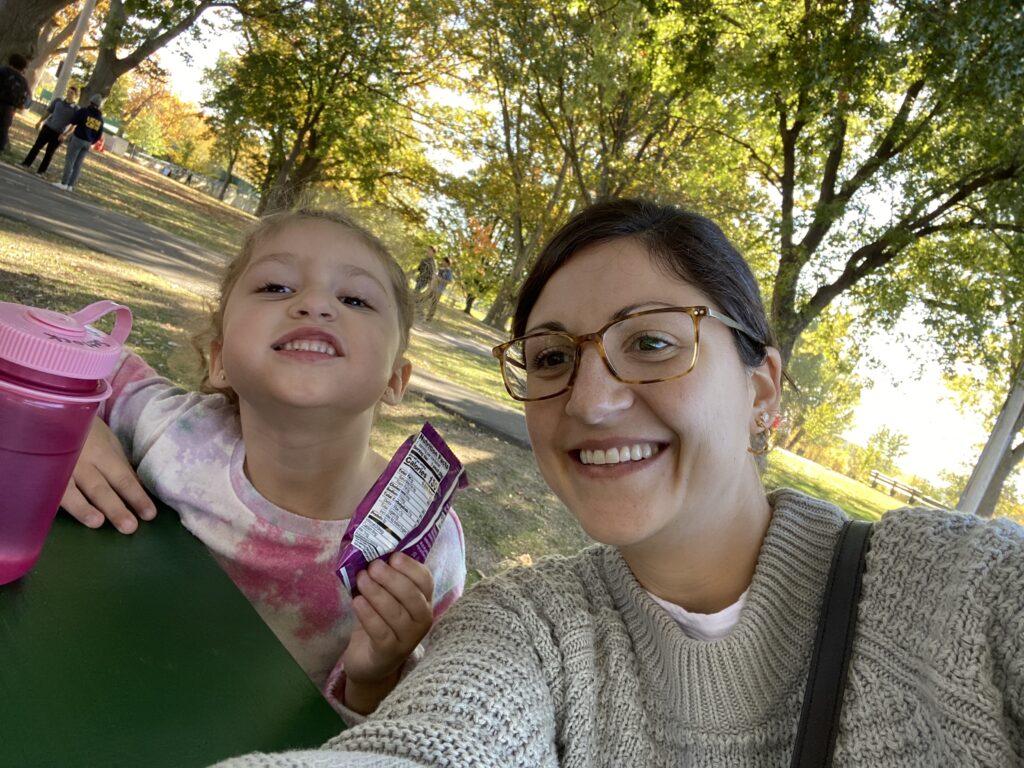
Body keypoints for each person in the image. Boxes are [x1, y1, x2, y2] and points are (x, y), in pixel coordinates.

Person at [213, 198, 1023, 767]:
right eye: (552, 358)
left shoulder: (962, 586)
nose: (591, 403)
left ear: (761, 390)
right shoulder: (527, 630)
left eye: (653, 343)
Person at [61, 208, 466, 720]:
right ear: (219, 360)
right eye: (276, 287)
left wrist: (374, 679)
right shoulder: (173, 428)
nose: (314, 303)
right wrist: (65, 420)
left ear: (394, 380)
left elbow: (404, 731)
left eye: (355, 299)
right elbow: (57, 345)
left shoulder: (425, 548)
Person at [21, 86, 79, 176]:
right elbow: (48, 112)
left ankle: (41, 171)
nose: (68, 94)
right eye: (68, 91)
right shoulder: (58, 101)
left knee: (49, 153)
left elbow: (74, 125)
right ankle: (26, 164)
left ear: (76, 96)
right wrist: (40, 121)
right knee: (36, 146)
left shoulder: (76, 109)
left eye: (71, 93)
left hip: (58, 133)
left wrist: (65, 134)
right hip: (48, 127)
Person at [54, 92, 104, 192]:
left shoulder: (84, 111)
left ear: (91, 101)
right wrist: (91, 141)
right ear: (99, 106)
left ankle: (64, 183)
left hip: (78, 139)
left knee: (70, 161)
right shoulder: (100, 119)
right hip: (88, 143)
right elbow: (99, 135)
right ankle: (70, 186)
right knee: (78, 165)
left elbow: (73, 121)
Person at [0, 53, 31, 155]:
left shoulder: (3, 71)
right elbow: (28, 101)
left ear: (11, 62)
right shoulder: (24, 81)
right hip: (9, 111)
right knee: (3, 132)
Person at [425, 257, 454, 321]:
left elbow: (450, 281)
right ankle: (419, 310)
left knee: (434, 303)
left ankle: (429, 317)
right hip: (433, 287)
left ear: (447, 263)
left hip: (439, 289)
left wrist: (441, 280)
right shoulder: (441, 269)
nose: (442, 262)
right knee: (425, 297)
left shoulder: (449, 272)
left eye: (444, 261)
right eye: (442, 261)